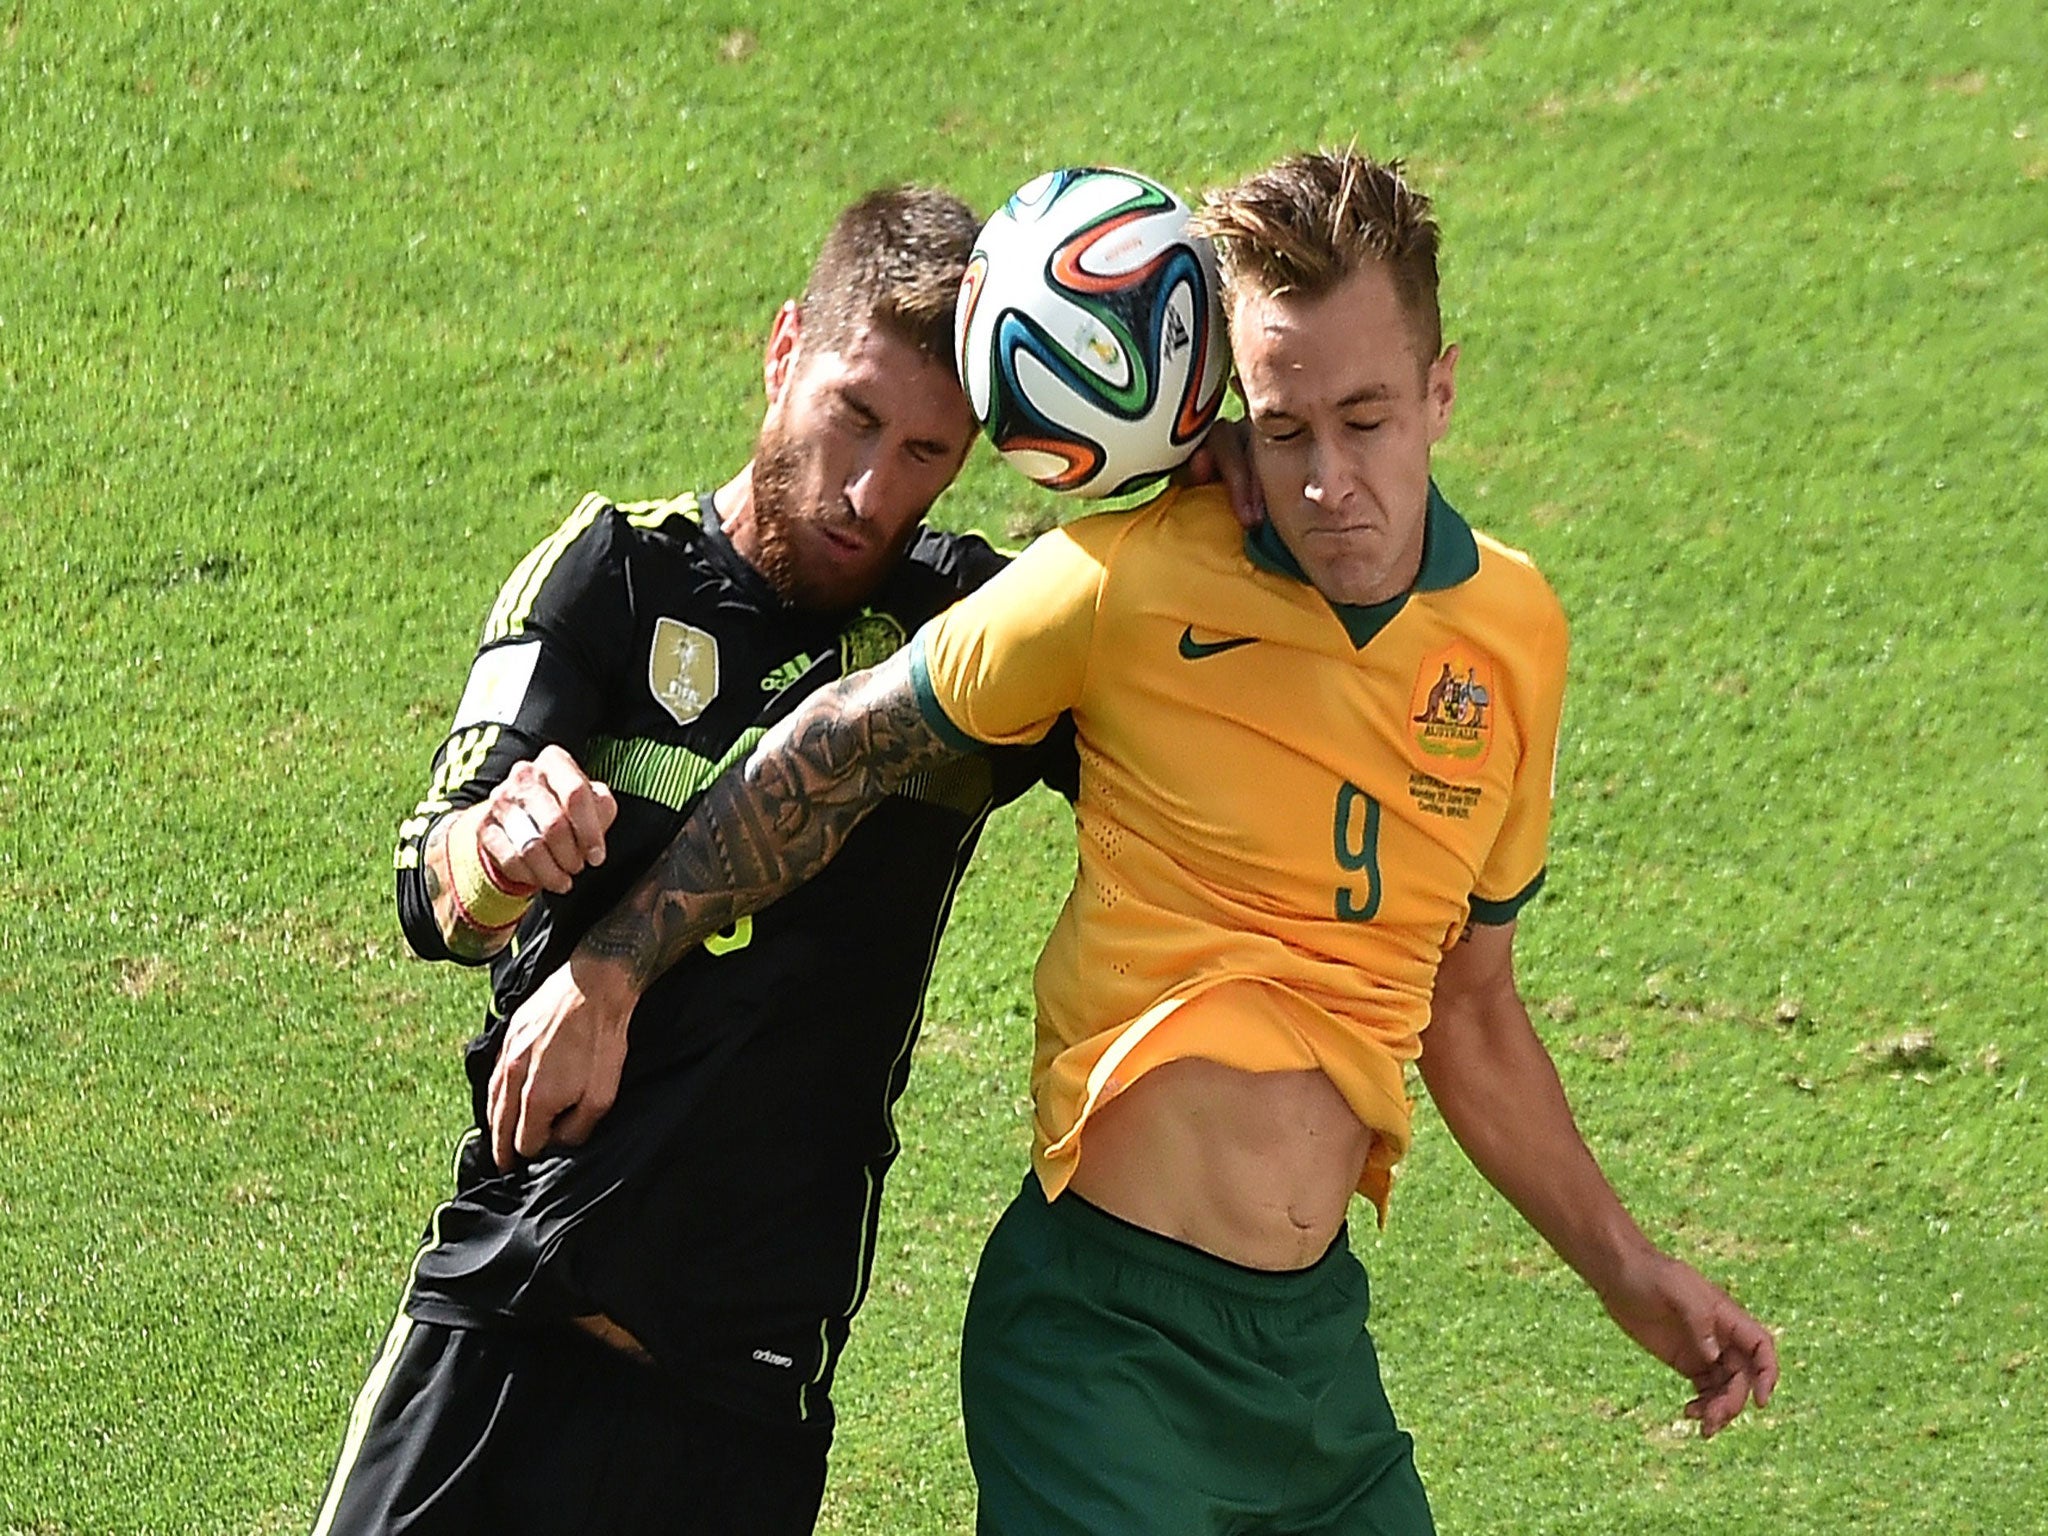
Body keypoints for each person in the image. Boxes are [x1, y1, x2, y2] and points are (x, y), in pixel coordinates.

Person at [492, 150, 1779, 1534]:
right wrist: (612, 970)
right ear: (1227, 411)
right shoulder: (1122, 581)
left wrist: (1627, 1271)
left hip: (1312, 1362)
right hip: (1102, 1348)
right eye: (1284, 430)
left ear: (1442, 393)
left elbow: (1471, 1011)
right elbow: (833, 746)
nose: (1330, 479)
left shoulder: (1515, 637)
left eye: (1369, 421)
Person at [310, 185, 1083, 1536]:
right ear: (786, 350)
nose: (870, 491)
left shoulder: (967, 637)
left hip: (745, 1398)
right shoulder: (613, 574)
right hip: (512, 1332)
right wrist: (503, 846)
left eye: (924, 451)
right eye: (853, 414)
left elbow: (1182, 658)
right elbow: (429, 885)